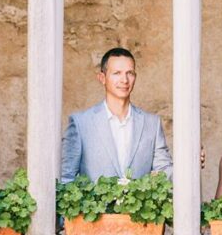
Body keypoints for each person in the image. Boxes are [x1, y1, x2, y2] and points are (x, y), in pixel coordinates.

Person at [60, 47, 173, 183]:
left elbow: (165, 172)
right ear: (102, 78)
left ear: (135, 77)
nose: (124, 80)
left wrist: (190, 161)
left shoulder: (152, 123)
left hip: (139, 204)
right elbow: (66, 178)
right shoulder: (81, 123)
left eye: (129, 73)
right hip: (97, 204)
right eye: (117, 73)